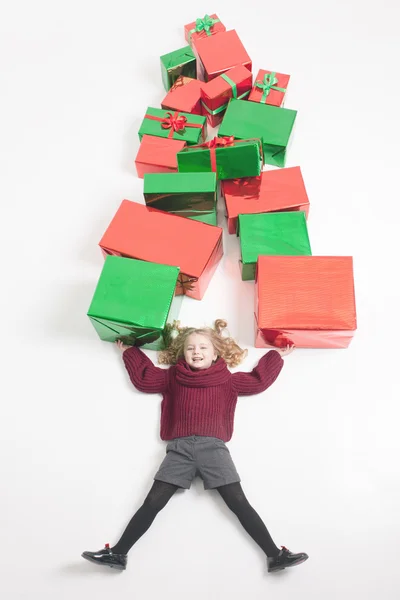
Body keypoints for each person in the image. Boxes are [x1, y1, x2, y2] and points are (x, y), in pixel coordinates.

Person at [82, 319, 308, 573]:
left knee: (239, 503)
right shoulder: (172, 378)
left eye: (203, 348)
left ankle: (276, 555)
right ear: (183, 353)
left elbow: (258, 381)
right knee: (153, 503)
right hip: (179, 450)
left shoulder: (228, 381)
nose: (196, 352)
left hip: (214, 450)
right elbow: (144, 379)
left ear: (215, 353)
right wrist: (130, 352)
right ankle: (118, 554)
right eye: (190, 348)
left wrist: (275, 357)